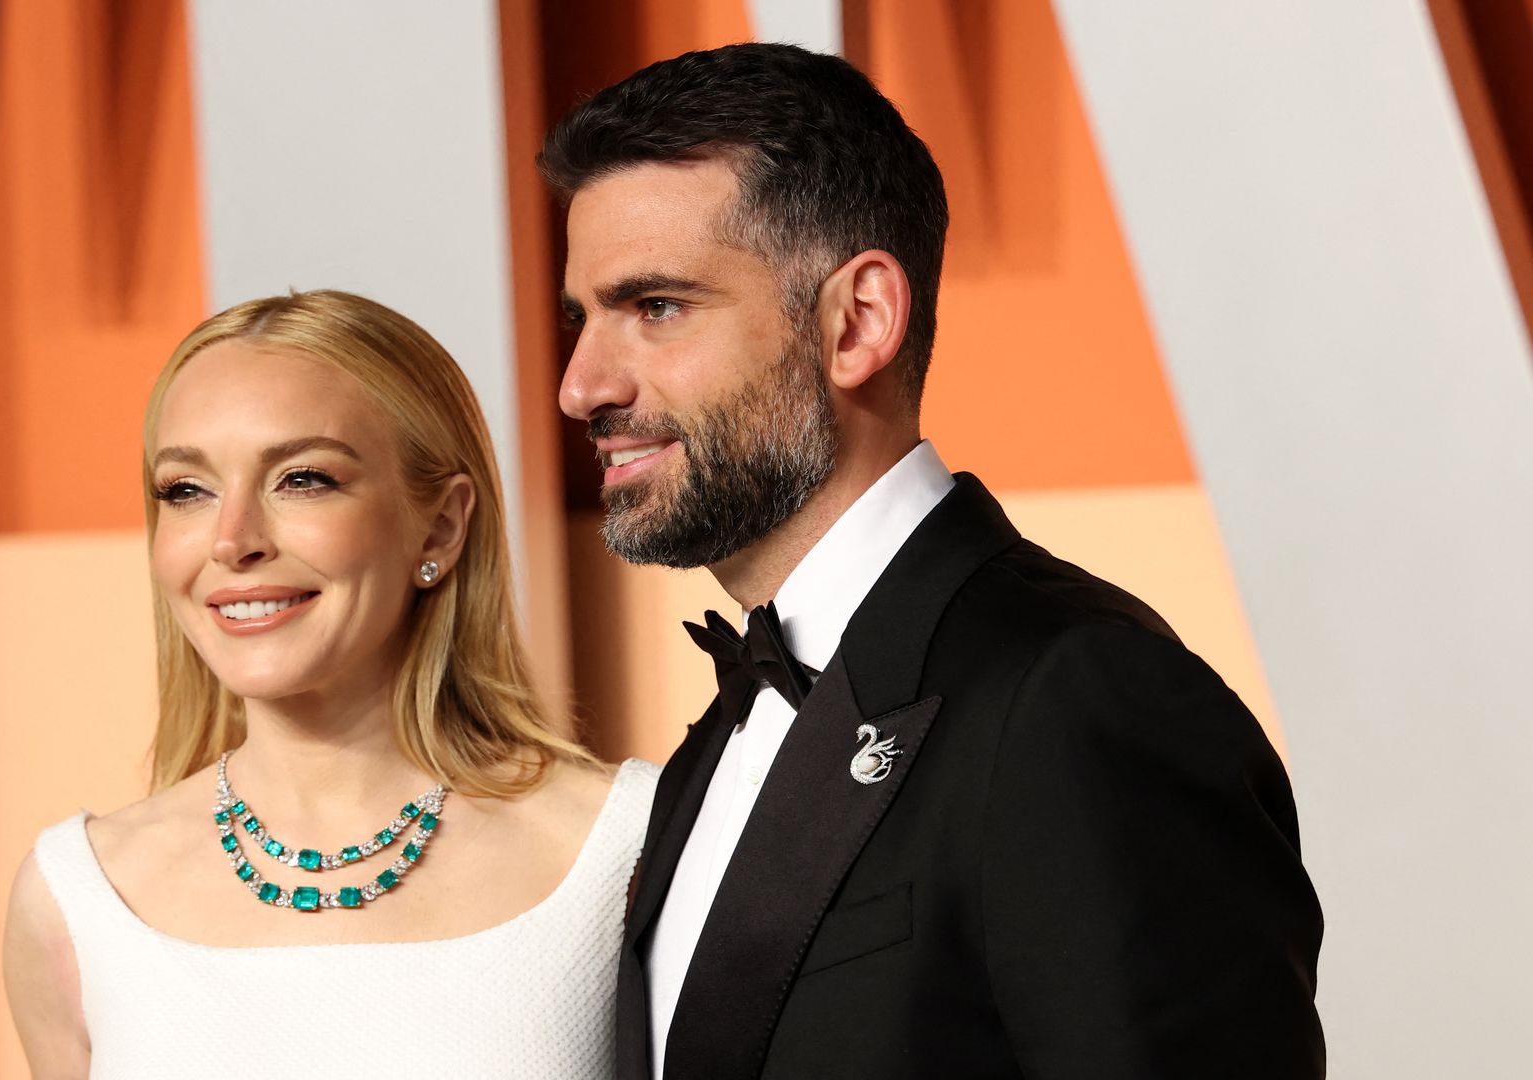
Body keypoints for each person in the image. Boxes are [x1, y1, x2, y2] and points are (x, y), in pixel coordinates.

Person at [541, 42, 1324, 1079]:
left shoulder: (1079, 699)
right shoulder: (708, 751)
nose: (581, 384)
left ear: (857, 321)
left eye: (657, 308)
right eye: (581, 319)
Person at [2, 290, 656, 1078]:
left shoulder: (634, 848)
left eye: (303, 479)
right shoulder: (76, 900)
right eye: (186, 490)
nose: (232, 539)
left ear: (442, 527)